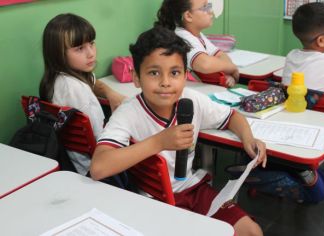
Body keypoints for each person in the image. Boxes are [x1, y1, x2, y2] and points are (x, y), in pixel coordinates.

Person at [90, 26, 267, 236]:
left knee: (251, 231)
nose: (165, 82)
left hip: (193, 190)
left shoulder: (191, 100)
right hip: (153, 203)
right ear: (136, 77)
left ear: (185, 76)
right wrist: (159, 142)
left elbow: (233, 117)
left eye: (174, 73)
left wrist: (248, 137)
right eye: (154, 73)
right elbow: (99, 168)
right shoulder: (129, 113)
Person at [39, 13, 126, 176]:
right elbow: (100, 138)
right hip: (95, 166)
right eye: (79, 48)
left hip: (75, 162)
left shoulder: (57, 78)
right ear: (59, 53)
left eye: (91, 44)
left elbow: (93, 81)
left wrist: (110, 93)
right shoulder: (76, 89)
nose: (91, 53)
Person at [154, 0, 239, 87]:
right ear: (188, 15)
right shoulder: (181, 37)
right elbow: (204, 64)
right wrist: (232, 68)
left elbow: (221, 55)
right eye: (205, 7)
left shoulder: (197, 35)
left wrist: (228, 69)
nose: (211, 11)